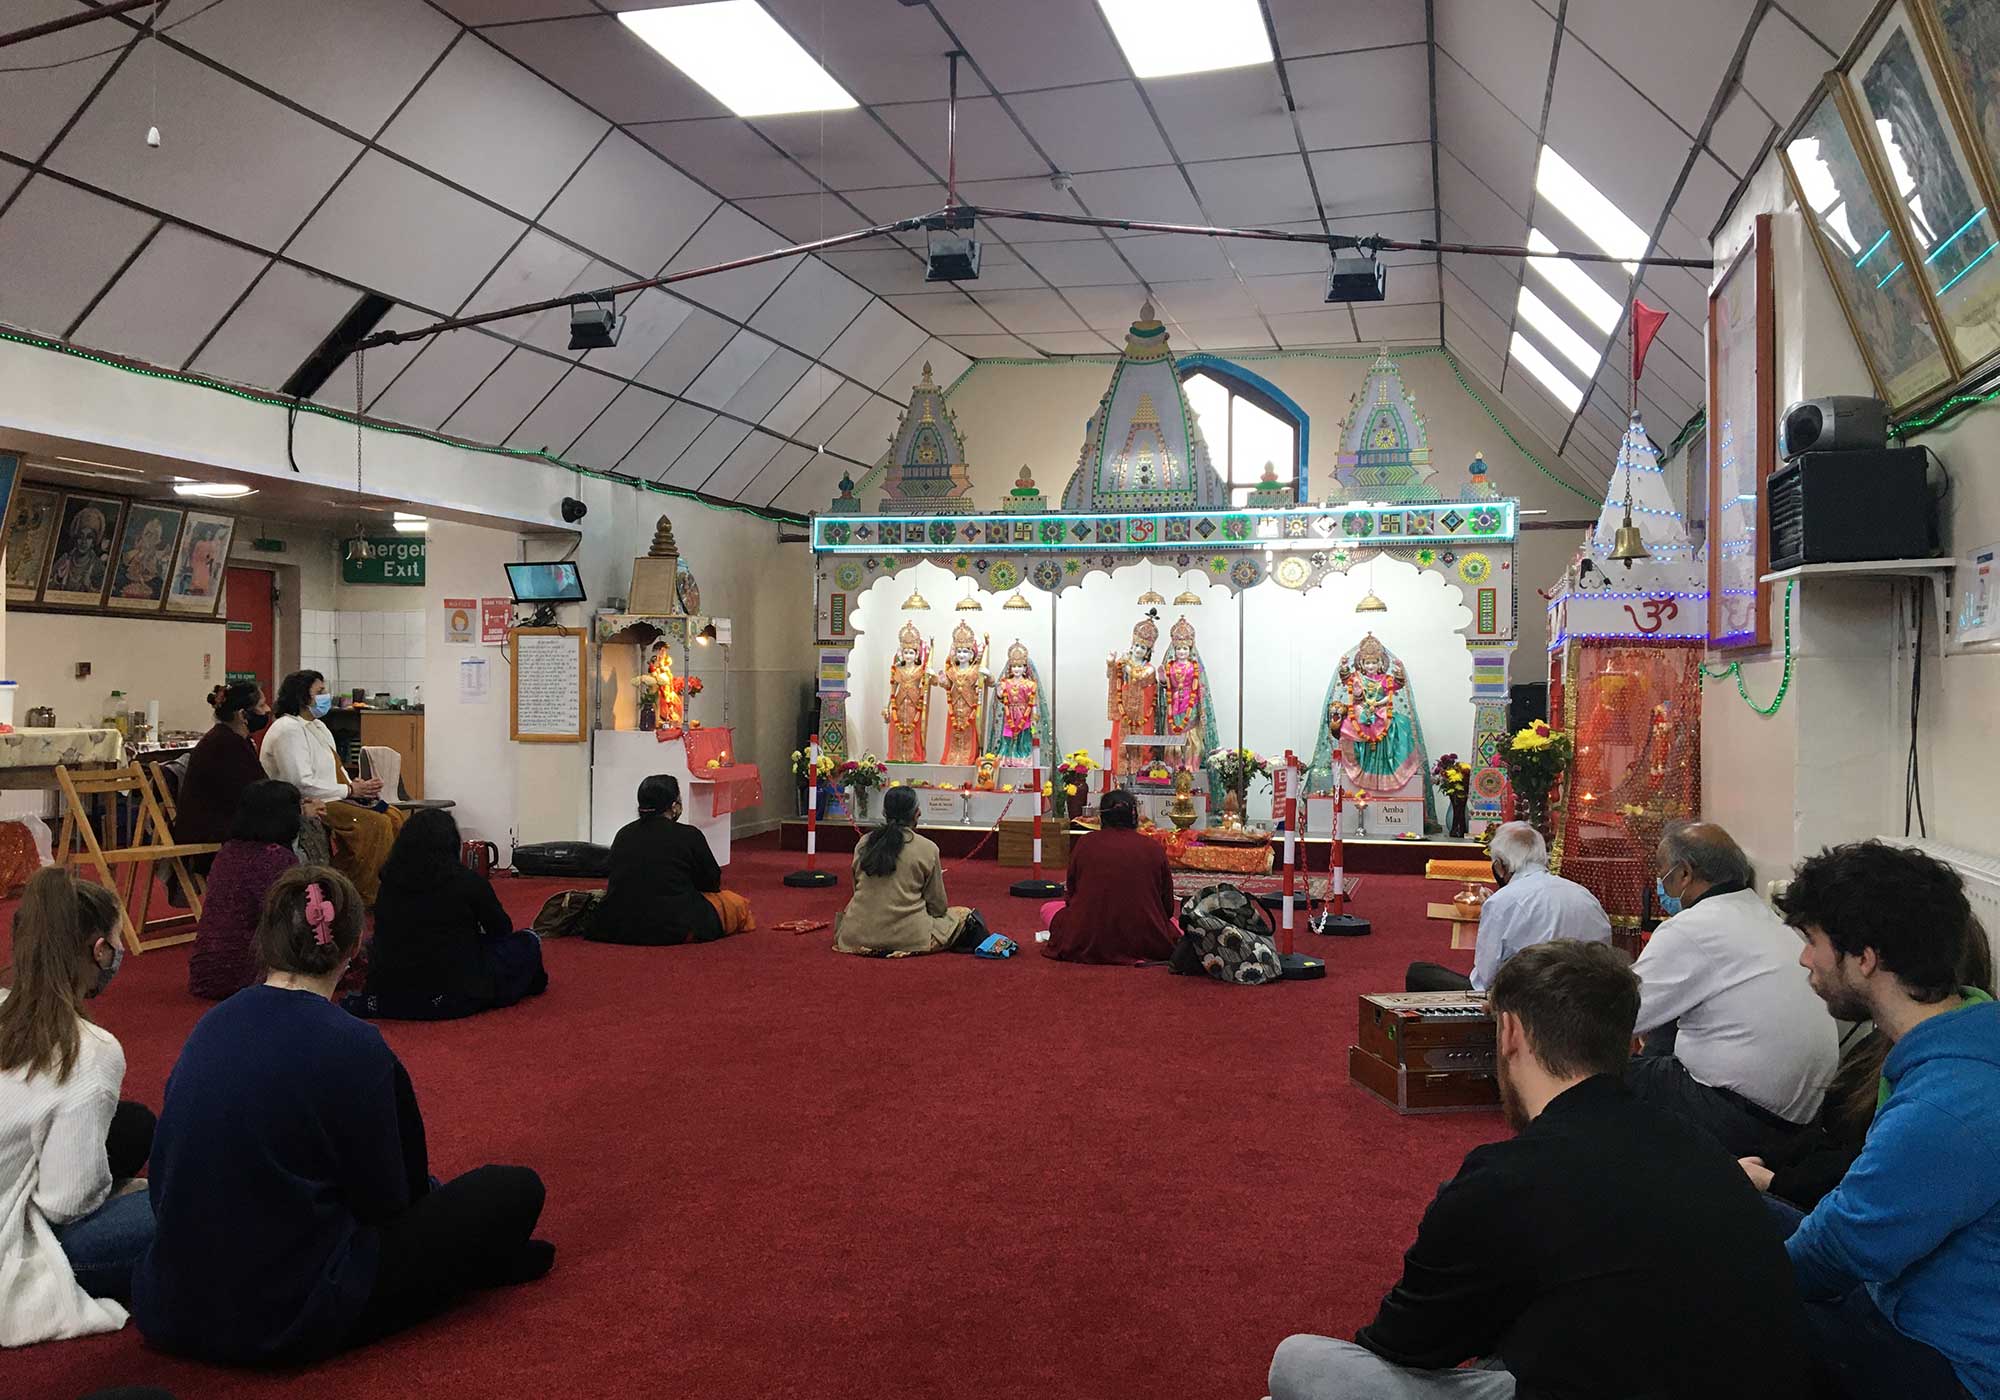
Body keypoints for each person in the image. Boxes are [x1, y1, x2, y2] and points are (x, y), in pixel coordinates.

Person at [1268, 940, 1810, 1400]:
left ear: (1509, 1033)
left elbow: (1404, 1347)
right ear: (1629, 1041)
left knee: (1301, 1363)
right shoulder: (1697, 1143)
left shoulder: (1504, 1179)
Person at [133, 867, 553, 1364]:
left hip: (170, 1304)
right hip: (286, 1315)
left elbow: (164, 1180)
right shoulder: (354, 1044)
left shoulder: (211, 1025)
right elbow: (392, 1201)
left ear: (266, 941)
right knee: (513, 1189)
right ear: (354, 945)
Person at [1756, 841, 2000, 1400]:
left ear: (1864, 958)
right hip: (1911, 1298)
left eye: (1812, 942)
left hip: (1948, 1362)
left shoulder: (1946, 1108)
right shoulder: (1969, 1021)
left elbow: (1836, 1254)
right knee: (1727, 1205)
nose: (1805, 960)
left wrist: (1735, 1280)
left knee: (1706, 1305)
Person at [0, 868, 156, 1345]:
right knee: (192, 1196)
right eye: (115, 940)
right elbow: (65, 1203)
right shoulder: (90, 1051)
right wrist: (114, 1193)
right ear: (98, 950)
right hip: (14, 1249)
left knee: (131, 1125)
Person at [1625, 821, 1838, 1160]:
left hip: (1737, 1116)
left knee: (1600, 1073)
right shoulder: (1768, 918)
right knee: (1667, 1030)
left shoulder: (1690, 929)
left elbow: (1619, 1013)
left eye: (1662, 874)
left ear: (1684, 874)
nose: (1660, 885)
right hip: (1802, 1120)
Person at [351, 808, 547, 1020]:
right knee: (528, 941)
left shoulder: (389, 882)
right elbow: (501, 929)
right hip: (451, 994)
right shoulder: (467, 881)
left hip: (392, 992)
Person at [1406, 822, 1610, 992]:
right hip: (1584, 1000)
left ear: (1500, 866)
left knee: (1419, 973)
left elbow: (1484, 981)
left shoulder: (1502, 902)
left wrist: (1494, 911)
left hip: (1527, 1005)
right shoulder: (1584, 895)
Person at [259, 670, 404, 903]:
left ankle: (381, 888)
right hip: (307, 801)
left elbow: (335, 768)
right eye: (320, 691)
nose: (326, 696)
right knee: (376, 824)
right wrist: (349, 791)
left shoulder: (318, 727)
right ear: (302, 697)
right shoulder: (288, 729)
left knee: (394, 816)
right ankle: (355, 894)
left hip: (334, 794)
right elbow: (300, 783)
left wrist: (354, 784)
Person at [586, 775, 753, 945]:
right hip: (672, 926)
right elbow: (711, 882)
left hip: (616, 926)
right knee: (735, 904)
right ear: (674, 806)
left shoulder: (624, 834)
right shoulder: (689, 835)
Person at [186, 779, 301, 1001]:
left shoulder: (228, 852)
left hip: (206, 970)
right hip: (252, 970)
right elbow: (290, 920)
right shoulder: (276, 858)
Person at [833, 785, 980, 957]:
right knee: (962, 914)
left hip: (855, 935)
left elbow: (856, 887)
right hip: (909, 937)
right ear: (916, 812)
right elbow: (938, 907)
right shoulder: (927, 848)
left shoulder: (864, 843)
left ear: (884, 813)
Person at [1041, 788, 1177, 965]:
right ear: (1134, 816)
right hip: (1145, 937)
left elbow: (1071, 894)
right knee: (1178, 924)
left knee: (1048, 909)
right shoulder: (1153, 847)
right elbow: (1167, 907)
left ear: (1102, 817)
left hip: (1087, 935)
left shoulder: (1085, 843)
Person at [171, 681, 276, 863]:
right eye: (261, 705)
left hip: (224, 822)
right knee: (290, 825)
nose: (267, 709)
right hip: (209, 833)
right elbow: (252, 793)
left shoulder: (236, 739)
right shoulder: (224, 744)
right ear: (243, 714)